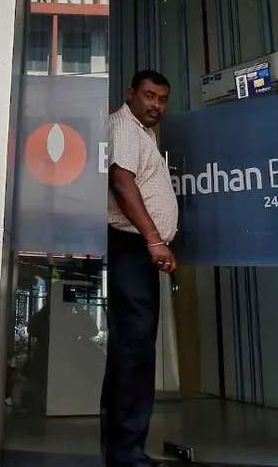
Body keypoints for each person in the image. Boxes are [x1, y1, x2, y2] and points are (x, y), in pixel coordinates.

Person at [101, 70, 179, 467]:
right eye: (149, 96)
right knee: (134, 353)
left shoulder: (141, 133)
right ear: (131, 94)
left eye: (162, 99)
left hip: (138, 250)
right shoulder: (124, 127)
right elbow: (121, 182)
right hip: (131, 247)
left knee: (132, 351)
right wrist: (153, 238)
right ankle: (126, 454)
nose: (156, 105)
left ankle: (123, 450)